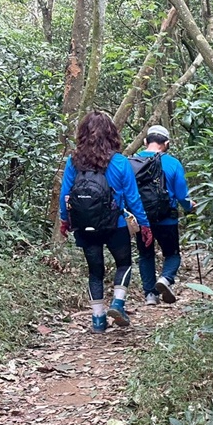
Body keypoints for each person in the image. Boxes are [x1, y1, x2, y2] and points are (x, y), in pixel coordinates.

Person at [59, 111, 153, 333]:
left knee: (95, 272)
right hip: (115, 224)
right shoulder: (120, 162)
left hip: (85, 225)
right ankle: (118, 304)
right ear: (111, 133)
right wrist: (144, 224)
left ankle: (98, 320)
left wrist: (65, 221)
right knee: (124, 264)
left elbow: (66, 194)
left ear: (83, 134)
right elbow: (133, 198)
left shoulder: (73, 162)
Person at [134, 125, 195, 305]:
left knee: (146, 255)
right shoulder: (173, 163)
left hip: (142, 219)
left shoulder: (132, 162)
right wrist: (189, 206)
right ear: (166, 143)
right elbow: (182, 195)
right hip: (167, 218)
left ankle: (150, 295)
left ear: (145, 141)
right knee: (172, 254)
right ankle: (165, 279)